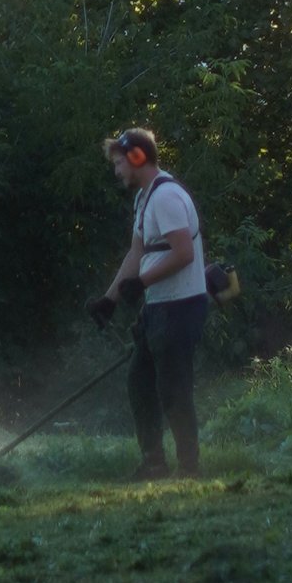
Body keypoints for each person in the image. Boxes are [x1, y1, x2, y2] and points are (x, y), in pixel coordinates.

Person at [90, 127, 207, 479]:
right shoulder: (145, 199)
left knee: (173, 389)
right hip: (159, 307)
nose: (116, 171)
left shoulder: (166, 198)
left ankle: (189, 468)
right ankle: (154, 462)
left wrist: (142, 282)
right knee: (140, 383)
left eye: (119, 163)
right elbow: (138, 252)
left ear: (138, 157)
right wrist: (109, 300)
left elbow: (184, 254)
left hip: (182, 306)